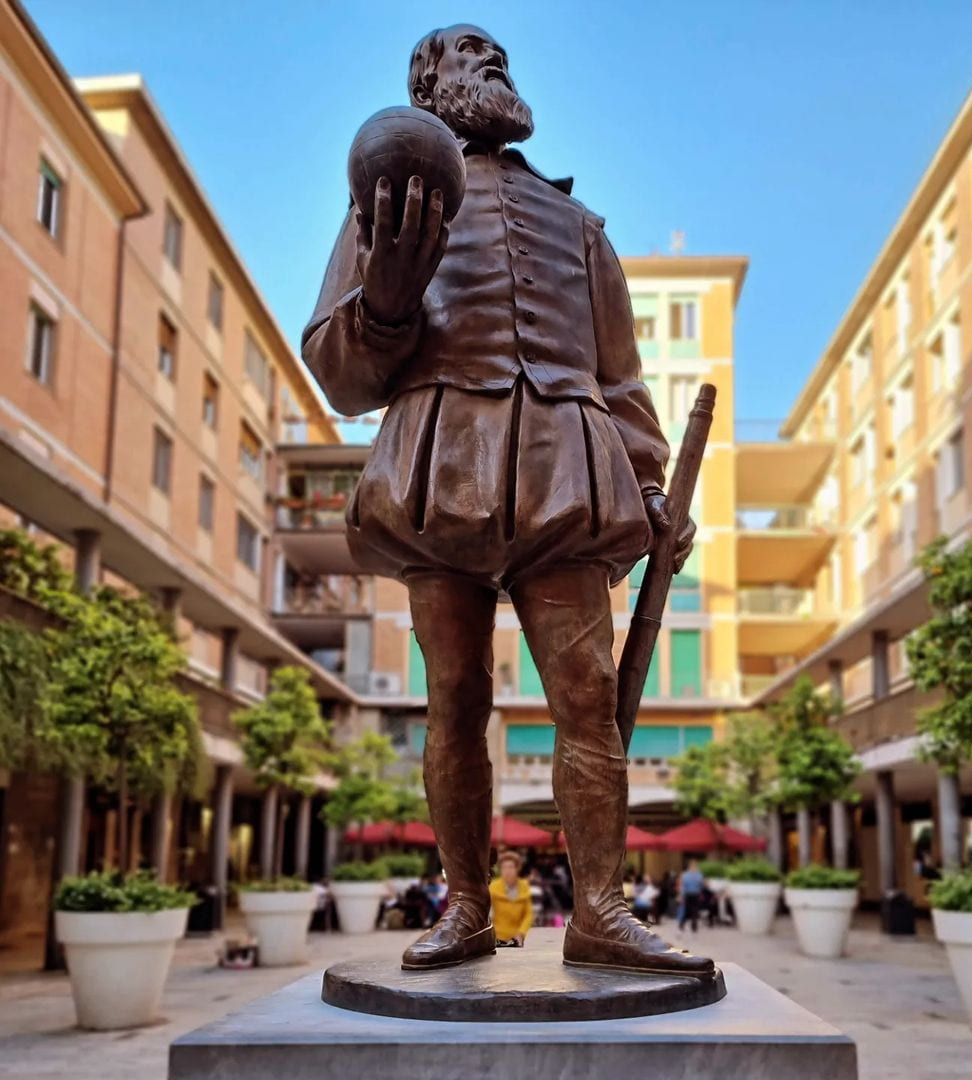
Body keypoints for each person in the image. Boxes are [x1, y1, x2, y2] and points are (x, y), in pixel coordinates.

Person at [304, 23, 709, 979]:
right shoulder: (386, 201)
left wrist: (652, 486)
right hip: (440, 467)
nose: (492, 62)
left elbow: (622, 380)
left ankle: (601, 909)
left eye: (499, 54)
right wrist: (384, 305)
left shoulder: (581, 225)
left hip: (567, 472)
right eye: (467, 51)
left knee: (586, 698)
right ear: (426, 83)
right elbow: (339, 372)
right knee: (454, 697)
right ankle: (466, 907)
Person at [489, 851, 532, 947]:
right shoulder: (493, 887)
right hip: (498, 938)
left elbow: (528, 914)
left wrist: (521, 933)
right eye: (504, 868)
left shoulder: (524, 886)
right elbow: (489, 914)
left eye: (510, 867)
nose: (507, 871)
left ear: (517, 869)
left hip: (517, 937)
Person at [679, 859, 705, 932]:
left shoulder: (685, 875)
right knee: (692, 910)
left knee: (689, 910)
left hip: (691, 894)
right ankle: (691, 926)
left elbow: (683, 886)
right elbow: (702, 885)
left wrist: (682, 895)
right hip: (693, 894)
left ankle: (685, 924)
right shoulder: (698, 875)